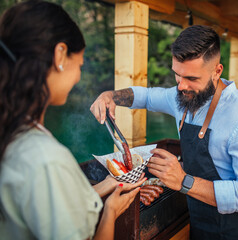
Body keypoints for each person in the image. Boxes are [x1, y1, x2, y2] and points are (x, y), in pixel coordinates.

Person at [91, 25, 238, 239]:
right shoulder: (182, 97)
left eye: (192, 79)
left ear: (217, 71)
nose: (182, 86)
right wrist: (110, 96)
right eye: (177, 75)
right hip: (199, 221)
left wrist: (184, 180)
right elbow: (145, 97)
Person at [0, 1, 145, 239]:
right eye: (79, 63)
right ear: (60, 55)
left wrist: (107, 185)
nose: (79, 76)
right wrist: (110, 211)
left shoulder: (12, 132)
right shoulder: (47, 159)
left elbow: (47, 198)